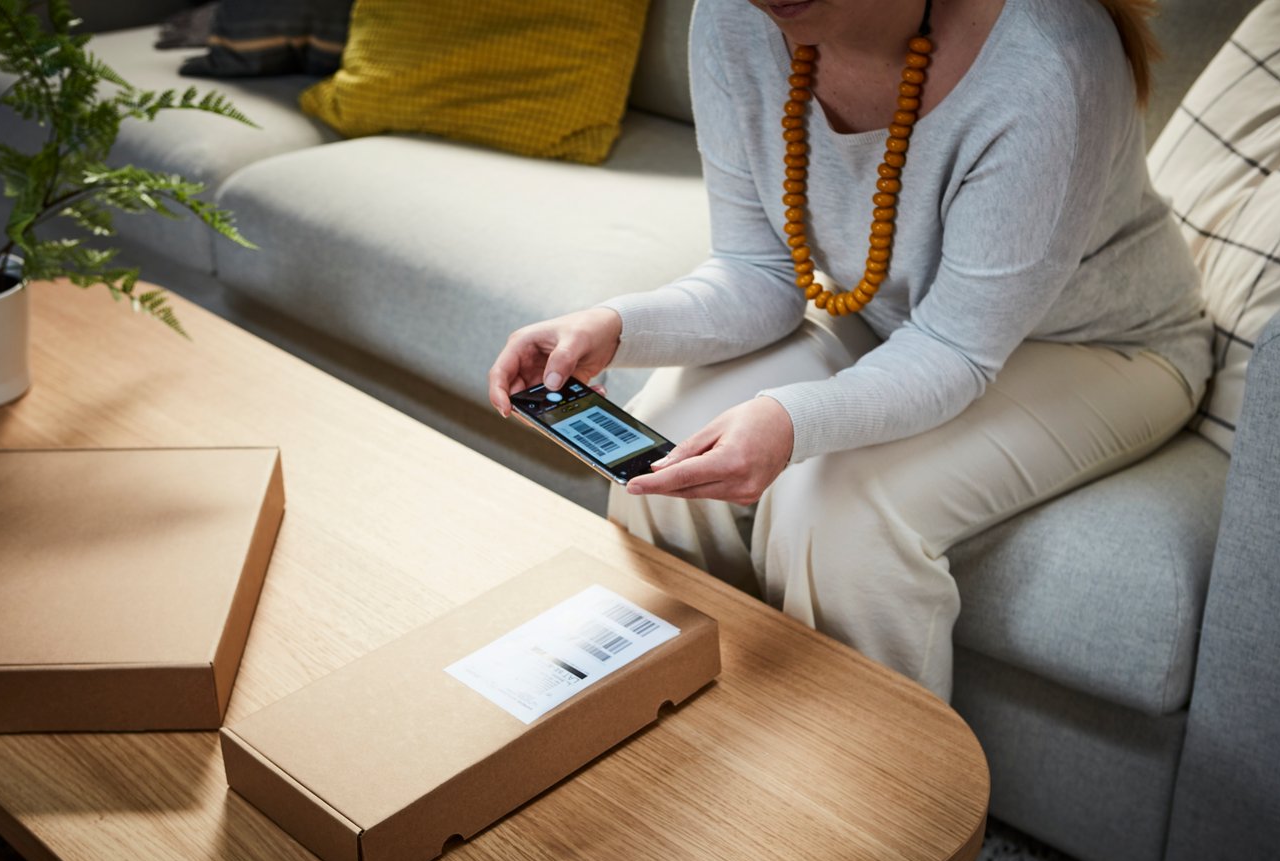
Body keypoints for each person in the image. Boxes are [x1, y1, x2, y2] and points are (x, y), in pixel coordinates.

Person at [487, 0, 1211, 701]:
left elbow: (955, 349)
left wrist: (789, 420)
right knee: (665, 454)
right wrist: (614, 326)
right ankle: (690, 748)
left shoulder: (1051, 59)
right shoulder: (737, 18)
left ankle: (880, 815)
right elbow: (761, 274)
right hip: (899, 317)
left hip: (1106, 346)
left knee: (840, 517)